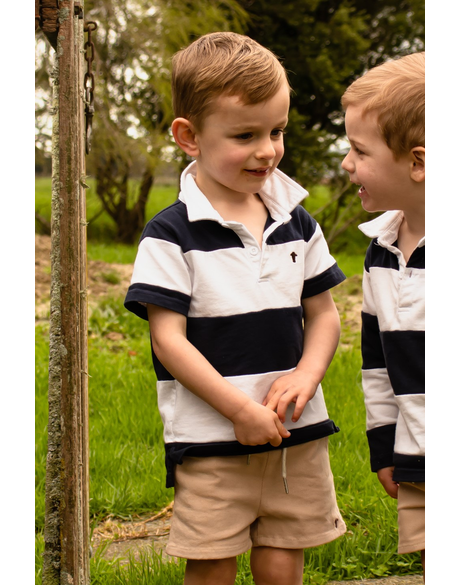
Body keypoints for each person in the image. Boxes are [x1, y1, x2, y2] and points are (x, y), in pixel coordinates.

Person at [125, 31, 347, 585]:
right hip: (211, 436)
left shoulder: (297, 222)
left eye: (276, 131)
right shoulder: (170, 235)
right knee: (212, 557)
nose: (267, 149)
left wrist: (307, 373)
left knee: (283, 547)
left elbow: (323, 314)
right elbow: (168, 340)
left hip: (295, 430)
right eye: (245, 134)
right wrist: (238, 410)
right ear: (189, 136)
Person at [341, 52, 425, 579]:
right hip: (415, 453)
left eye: (358, 150)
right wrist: (383, 444)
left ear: (417, 162)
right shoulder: (380, 250)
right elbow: (377, 364)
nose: (347, 164)